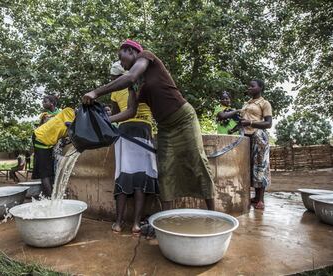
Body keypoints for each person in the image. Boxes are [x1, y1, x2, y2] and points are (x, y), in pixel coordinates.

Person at [82, 39, 215, 211]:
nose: (121, 62)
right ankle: (167, 217)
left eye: (121, 57)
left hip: (184, 120)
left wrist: (95, 92)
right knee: (165, 171)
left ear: (130, 51)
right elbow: (130, 112)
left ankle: (213, 213)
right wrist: (105, 120)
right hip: (165, 128)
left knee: (197, 161)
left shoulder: (147, 56)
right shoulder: (141, 88)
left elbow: (129, 78)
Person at [108, 61, 159, 234]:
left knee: (123, 175)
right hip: (144, 131)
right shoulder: (145, 86)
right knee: (141, 179)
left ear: (117, 76)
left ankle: (118, 223)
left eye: (113, 77)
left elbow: (116, 115)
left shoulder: (116, 90)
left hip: (124, 131)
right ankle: (136, 224)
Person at [240, 79, 272, 209]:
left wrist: (250, 123)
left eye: (252, 86)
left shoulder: (265, 103)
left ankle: (261, 200)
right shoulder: (246, 104)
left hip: (259, 137)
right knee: (248, 167)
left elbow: (268, 123)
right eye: (249, 85)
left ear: (260, 88)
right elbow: (243, 121)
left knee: (260, 167)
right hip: (245, 137)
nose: (249, 87)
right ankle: (255, 197)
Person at [32, 94, 60, 197]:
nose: (43, 103)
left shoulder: (60, 113)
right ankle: (50, 197)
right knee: (44, 173)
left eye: (45, 101)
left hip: (52, 145)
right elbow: (40, 130)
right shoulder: (44, 115)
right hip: (42, 144)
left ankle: (51, 195)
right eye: (43, 101)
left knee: (51, 171)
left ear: (52, 103)